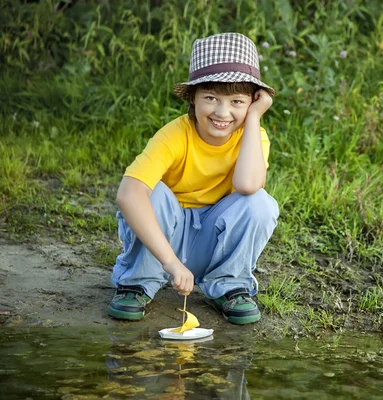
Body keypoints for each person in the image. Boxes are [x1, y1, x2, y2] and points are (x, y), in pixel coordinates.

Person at [107, 33, 279, 325]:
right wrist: (171, 262)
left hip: (213, 242)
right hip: (164, 241)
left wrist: (253, 119)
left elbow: (247, 186)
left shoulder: (253, 135)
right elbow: (128, 194)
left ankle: (228, 285)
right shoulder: (174, 135)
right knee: (152, 192)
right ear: (193, 97)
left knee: (260, 203)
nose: (222, 112)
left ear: (252, 102)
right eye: (211, 98)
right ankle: (137, 282)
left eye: (237, 101)